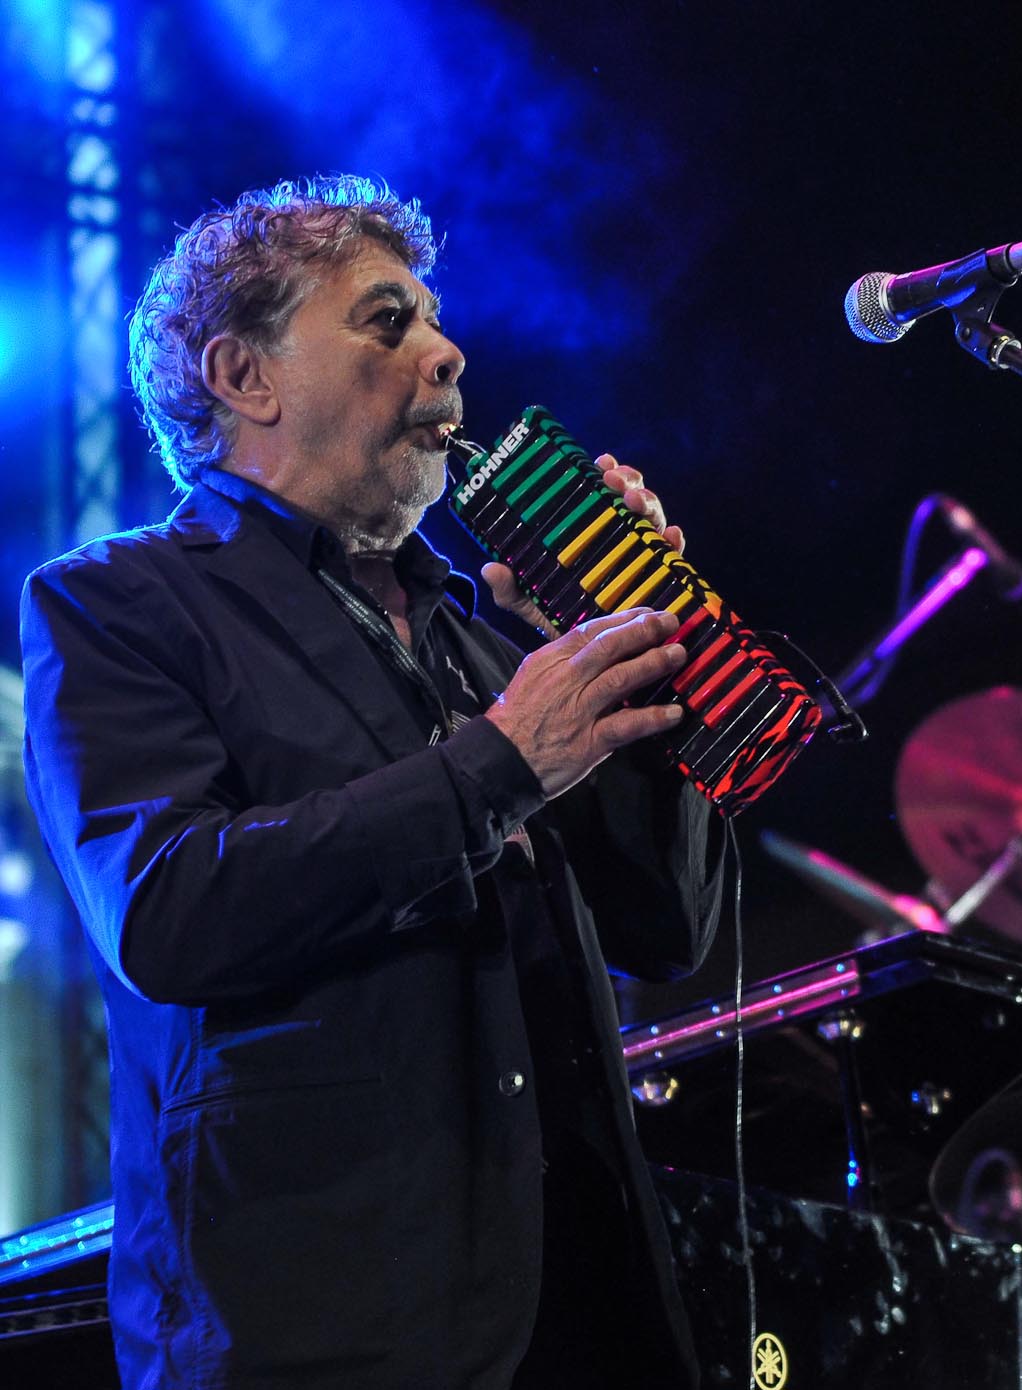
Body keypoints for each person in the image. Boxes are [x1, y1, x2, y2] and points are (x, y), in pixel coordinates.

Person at [21, 174, 730, 1388]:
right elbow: (168, 910)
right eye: (388, 322)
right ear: (243, 376)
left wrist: (632, 658)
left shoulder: (485, 642)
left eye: (436, 323)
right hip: (322, 1323)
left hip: (577, 1308)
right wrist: (502, 762)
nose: (448, 356)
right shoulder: (119, 602)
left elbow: (669, 929)